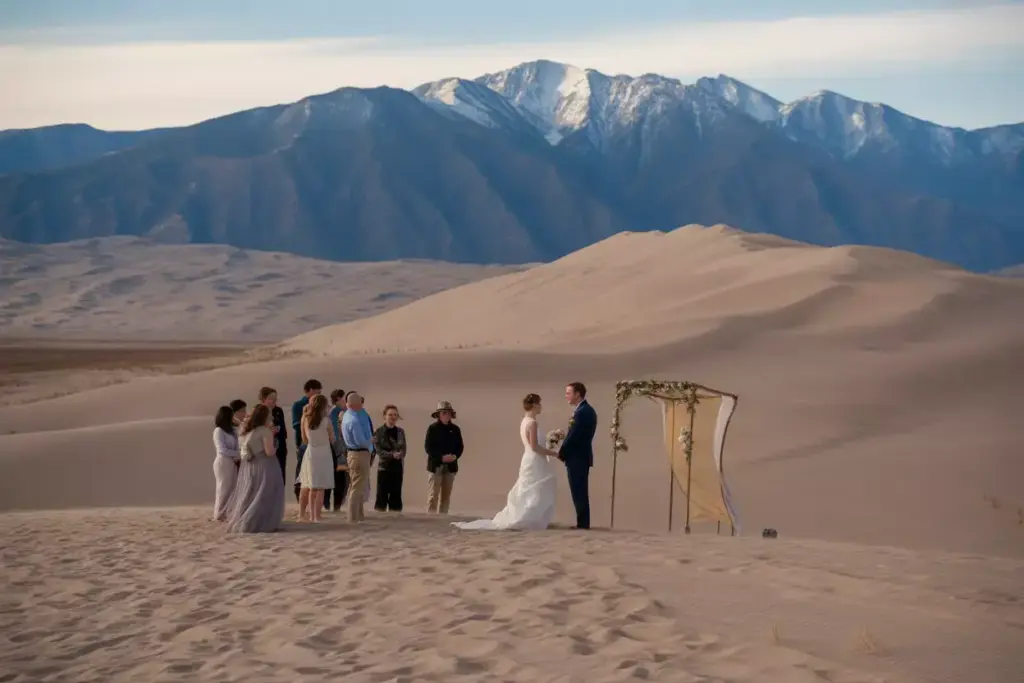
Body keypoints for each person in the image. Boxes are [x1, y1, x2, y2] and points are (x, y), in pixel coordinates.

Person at [453, 394, 558, 531]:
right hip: (535, 459)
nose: (541, 407)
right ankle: (530, 517)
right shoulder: (532, 423)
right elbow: (534, 446)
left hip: (530, 458)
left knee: (530, 487)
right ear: (534, 405)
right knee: (535, 487)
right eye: (539, 404)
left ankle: (532, 516)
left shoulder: (525, 421)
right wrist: (553, 453)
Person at [225, 404, 286, 533]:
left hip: (250, 466)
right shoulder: (265, 431)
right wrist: (275, 442)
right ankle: (262, 522)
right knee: (265, 493)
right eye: (269, 415)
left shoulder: (246, 431)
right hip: (266, 466)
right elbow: (269, 452)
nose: (271, 417)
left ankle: (247, 521)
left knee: (251, 493)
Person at [558, 381, 597, 530]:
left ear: (577, 394)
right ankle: (582, 522)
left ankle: (583, 523)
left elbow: (575, 436)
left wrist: (562, 452)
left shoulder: (583, 412)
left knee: (579, 490)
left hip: (578, 457)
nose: (566, 396)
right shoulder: (584, 410)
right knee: (578, 490)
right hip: (579, 457)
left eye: (569, 393)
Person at [298, 393, 334, 522]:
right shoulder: (326, 420)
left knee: (310, 485)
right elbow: (332, 438)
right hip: (324, 452)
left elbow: (304, 439)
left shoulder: (305, 419)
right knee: (320, 486)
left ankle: (309, 515)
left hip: (311, 452)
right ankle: (317, 516)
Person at [424, 400, 464, 514]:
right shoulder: (432, 428)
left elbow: (460, 447)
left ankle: (443, 518)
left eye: (448, 413)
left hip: (450, 467)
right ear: (439, 415)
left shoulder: (455, 429)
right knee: (433, 495)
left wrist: (455, 456)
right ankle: (431, 518)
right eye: (443, 413)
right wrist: (441, 458)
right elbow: (428, 447)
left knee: (446, 497)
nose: (446, 415)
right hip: (435, 466)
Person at [340, 391, 374, 523]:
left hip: (355, 454)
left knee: (358, 486)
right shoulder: (353, 420)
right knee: (356, 487)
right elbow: (360, 441)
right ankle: (353, 518)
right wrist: (370, 441)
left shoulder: (350, 415)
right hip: (358, 454)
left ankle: (358, 516)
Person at [292, 379, 322, 501]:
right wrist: (309, 422)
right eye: (317, 392)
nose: (318, 395)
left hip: (318, 444)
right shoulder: (298, 405)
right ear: (309, 391)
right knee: (301, 470)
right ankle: (299, 497)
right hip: (303, 443)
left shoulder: (320, 405)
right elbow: (295, 424)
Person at [373, 405, 407, 512]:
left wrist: (400, 454)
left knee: (396, 497)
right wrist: (391, 455)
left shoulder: (400, 432)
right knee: (381, 496)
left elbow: (404, 448)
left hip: (397, 468)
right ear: (385, 416)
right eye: (390, 415)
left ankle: (395, 519)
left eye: (395, 415)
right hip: (384, 468)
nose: (393, 417)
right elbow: (378, 450)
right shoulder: (379, 432)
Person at [212, 405, 241, 521]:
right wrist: (237, 454)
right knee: (223, 488)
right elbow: (221, 449)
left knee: (232, 488)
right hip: (223, 462)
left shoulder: (232, 431)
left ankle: (228, 512)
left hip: (233, 462)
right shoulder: (218, 431)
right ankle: (219, 514)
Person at [324, 389, 349, 512]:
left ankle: (336, 505)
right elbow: (334, 434)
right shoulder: (334, 412)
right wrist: (341, 451)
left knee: (340, 479)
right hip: (336, 451)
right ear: (338, 399)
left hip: (341, 450)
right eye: (344, 399)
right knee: (336, 478)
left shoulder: (343, 412)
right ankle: (330, 505)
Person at [258, 387, 288, 484]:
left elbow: (283, 431)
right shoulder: (258, 412)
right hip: (265, 451)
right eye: (271, 398)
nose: (274, 401)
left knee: (280, 479)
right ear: (263, 399)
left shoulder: (278, 411)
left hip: (280, 448)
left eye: (275, 398)